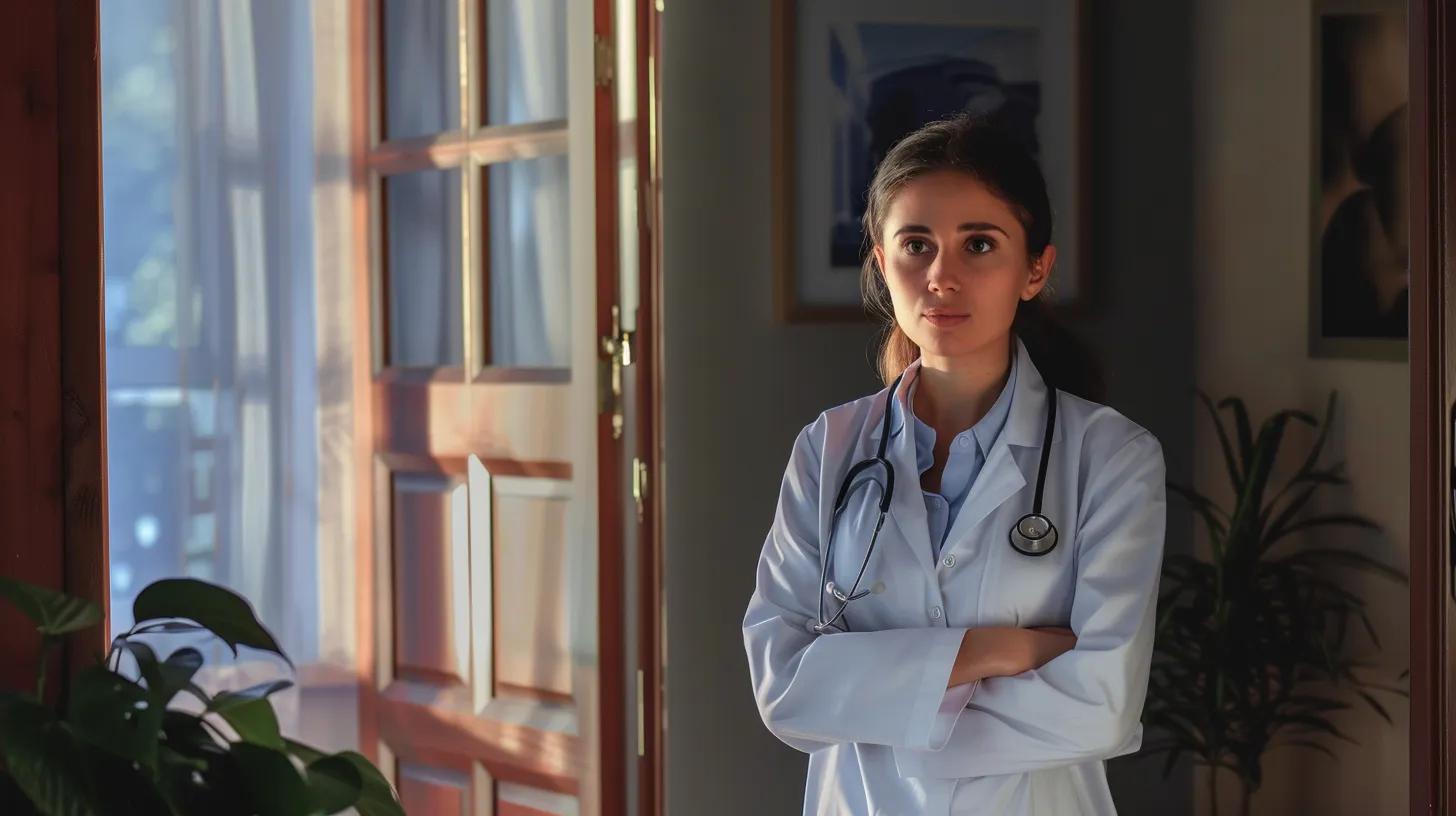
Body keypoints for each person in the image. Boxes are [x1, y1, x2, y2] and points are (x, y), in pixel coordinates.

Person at [742, 115, 1167, 815]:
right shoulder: (829, 448)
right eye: (917, 245)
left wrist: (876, 705)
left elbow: (1101, 707)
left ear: (1035, 270)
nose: (942, 276)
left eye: (979, 244)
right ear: (883, 264)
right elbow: (784, 688)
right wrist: (991, 650)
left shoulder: (1111, 458)